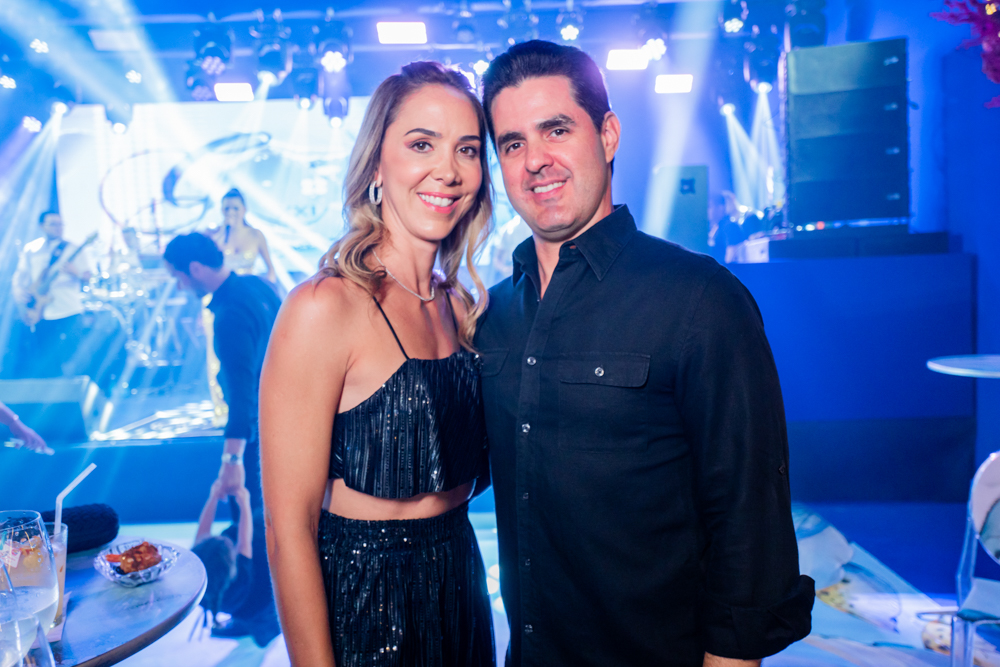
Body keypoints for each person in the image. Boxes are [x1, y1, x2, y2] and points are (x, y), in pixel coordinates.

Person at [476, 40, 814, 667]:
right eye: (513, 144)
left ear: (607, 134)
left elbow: (749, 521)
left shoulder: (700, 299)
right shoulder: (492, 316)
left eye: (556, 129)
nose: (536, 160)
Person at [259, 61, 495, 667]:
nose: (448, 169)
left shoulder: (462, 308)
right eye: (422, 144)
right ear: (376, 166)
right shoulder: (323, 308)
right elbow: (288, 531)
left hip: (461, 591)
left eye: (468, 150)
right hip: (365, 608)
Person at [164, 232, 281, 640]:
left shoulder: (230, 314)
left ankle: (259, 614)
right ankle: (270, 611)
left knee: (254, 525)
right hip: (281, 425)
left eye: (178, 276)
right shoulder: (258, 287)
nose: (180, 286)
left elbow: (242, 393)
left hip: (256, 436)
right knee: (268, 522)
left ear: (195, 269)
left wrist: (231, 460)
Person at [192, 479, 280, 648]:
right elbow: (244, 539)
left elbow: (202, 533)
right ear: (233, 566)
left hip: (235, 605)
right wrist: (244, 501)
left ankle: (245, 625)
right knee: (265, 619)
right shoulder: (242, 577)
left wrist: (213, 498)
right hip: (259, 601)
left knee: (245, 615)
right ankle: (265, 635)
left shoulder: (200, 585)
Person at [10, 211, 93, 379]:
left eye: (61, 224)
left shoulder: (73, 249)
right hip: (42, 312)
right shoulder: (31, 249)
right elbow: (21, 275)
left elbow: (88, 277)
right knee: (47, 359)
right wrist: (18, 291)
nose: (58, 228)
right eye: (53, 224)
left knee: (73, 356)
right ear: (42, 226)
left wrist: (75, 273)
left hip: (69, 309)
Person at [211, 188, 277, 283]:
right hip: (223, 288)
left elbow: (270, 268)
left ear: (244, 209)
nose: (231, 212)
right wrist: (223, 231)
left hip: (248, 288)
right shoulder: (215, 235)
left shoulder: (256, 234)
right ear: (222, 210)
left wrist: (267, 287)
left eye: (235, 208)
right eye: (227, 208)